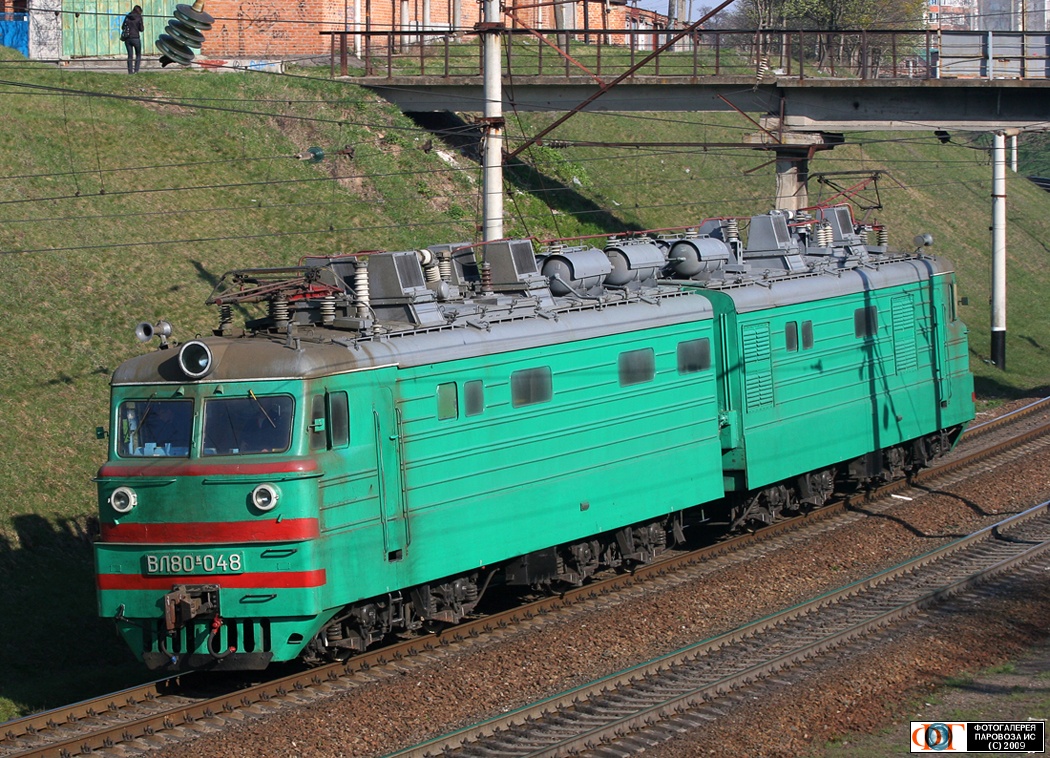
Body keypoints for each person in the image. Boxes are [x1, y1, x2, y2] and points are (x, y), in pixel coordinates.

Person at [121, 5, 144, 74]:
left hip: (127, 39)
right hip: (136, 38)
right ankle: (136, 71)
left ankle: (130, 72)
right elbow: (141, 29)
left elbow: (123, 27)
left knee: (130, 56)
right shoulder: (139, 17)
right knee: (138, 55)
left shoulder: (128, 16)